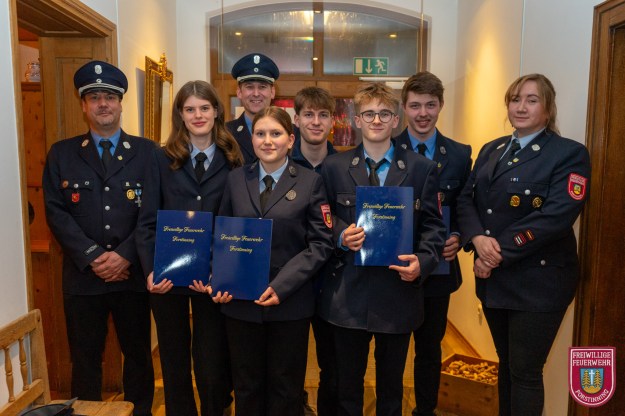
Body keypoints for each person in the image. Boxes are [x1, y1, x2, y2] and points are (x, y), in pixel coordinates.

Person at [456, 73, 591, 415]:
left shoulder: (569, 154)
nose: (521, 107)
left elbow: (556, 216)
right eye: (515, 99)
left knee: (526, 372)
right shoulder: (492, 149)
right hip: (496, 280)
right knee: (506, 365)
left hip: (539, 282)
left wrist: (494, 252)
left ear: (548, 108)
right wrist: (477, 238)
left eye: (532, 100)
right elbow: (466, 199)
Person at [318, 82, 446, 416]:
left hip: (397, 294)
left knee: (391, 391)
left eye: (385, 114)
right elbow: (321, 218)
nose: (377, 120)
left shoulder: (421, 169)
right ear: (356, 120)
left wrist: (423, 261)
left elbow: (434, 226)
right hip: (348, 295)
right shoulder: (333, 167)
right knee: (347, 389)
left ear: (396, 120)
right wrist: (340, 235)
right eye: (369, 114)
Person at [42, 60, 155, 416]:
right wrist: (93, 256)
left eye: (109, 97)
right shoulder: (62, 153)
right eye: (94, 97)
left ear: (121, 104)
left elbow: (153, 212)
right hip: (83, 278)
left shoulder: (148, 152)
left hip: (132, 275)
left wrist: (125, 255)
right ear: (83, 105)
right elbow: (56, 212)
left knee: (138, 355)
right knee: (85, 358)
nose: (103, 104)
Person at [211, 106, 333, 415]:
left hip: (289, 303)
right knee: (246, 385)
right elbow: (223, 234)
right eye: (260, 133)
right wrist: (219, 278)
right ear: (251, 139)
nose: (267, 141)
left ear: (290, 140)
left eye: (275, 133)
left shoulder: (310, 182)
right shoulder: (236, 180)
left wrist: (282, 286)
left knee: (285, 387)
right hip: (240, 303)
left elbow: (320, 244)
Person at [135, 80, 243, 416]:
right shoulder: (160, 159)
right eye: (190, 109)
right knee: (173, 361)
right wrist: (151, 270)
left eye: (204, 108)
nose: (198, 115)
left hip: (211, 279)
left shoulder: (234, 159)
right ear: (180, 115)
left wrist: (220, 272)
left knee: (212, 361)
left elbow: (236, 222)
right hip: (168, 278)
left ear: (217, 112)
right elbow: (146, 221)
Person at [394, 72, 472, 416]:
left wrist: (458, 235)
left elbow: (466, 204)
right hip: (394, 267)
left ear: (441, 105)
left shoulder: (459, 154)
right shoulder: (387, 148)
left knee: (429, 348)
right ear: (404, 107)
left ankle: (425, 410)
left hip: (439, 270)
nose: (422, 113)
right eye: (415, 106)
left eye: (430, 105)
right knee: (393, 349)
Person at [292, 86, 338, 416]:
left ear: (333, 121)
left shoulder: (345, 165)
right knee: (290, 360)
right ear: (296, 120)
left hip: (334, 280)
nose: (316, 122)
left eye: (323, 115)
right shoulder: (279, 161)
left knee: (333, 363)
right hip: (292, 279)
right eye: (308, 114)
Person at [226, 53, 279, 164]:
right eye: (249, 87)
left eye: (262, 87)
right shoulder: (225, 133)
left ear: (272, 92)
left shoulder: (291, 132)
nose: (256, 94)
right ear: (239, 92)